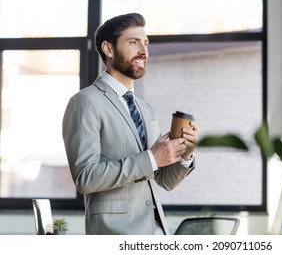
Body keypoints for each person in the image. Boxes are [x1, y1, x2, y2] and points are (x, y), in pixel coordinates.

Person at [62, 13, 198, 235]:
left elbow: (163, 180)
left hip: (155, 233)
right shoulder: (85, 102)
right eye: (133, 42)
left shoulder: (145, 109)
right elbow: (85, 177)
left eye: (145, 43)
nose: (143, 51)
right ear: (108, 49)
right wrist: (152, 158)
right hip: (115, 234)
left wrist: (184, 156)